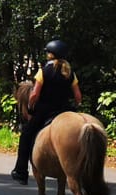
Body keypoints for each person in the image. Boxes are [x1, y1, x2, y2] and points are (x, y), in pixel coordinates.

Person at [9, 38, 81, 185]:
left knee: (26, 135)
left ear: (50, 54)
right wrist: (76, 107)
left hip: (45, 111)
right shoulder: (70, 73)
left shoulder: (44, 71)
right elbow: (78, 96)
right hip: (65, 109)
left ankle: (21, 171)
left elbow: (34, 94)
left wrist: (30, 107)